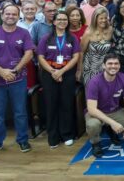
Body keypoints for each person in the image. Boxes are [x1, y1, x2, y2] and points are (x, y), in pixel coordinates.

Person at [0, 4, 35, 158]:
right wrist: (2, 71)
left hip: (18, 80)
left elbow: (29, 54)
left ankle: (23, 140)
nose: (11, 16)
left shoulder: (24, 33)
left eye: (14, 14)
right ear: (2, 15)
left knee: (20, 112)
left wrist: (15, 70)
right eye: (8, 14)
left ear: (18, 16)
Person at [37, 11, 81, 148]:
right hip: (49, 74)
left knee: (66, 104)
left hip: (67, 73)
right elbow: (40, 57)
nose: (62, 22)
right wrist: (53, 72)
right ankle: (53, 137)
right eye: (59, 19)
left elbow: (76, 57)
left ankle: (66, 134)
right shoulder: (46, 38)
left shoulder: (72, 38)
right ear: (54, 22)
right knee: (51, 105)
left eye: (65, 19)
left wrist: (62, 71)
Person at [85, 53, 124, 158]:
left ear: (119, 66)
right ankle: (96, 143)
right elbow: (92, 109)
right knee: (93, 125)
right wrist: (112, 123)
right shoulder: (94, 81)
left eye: (116, 63)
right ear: (103, 65)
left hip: (115, 111)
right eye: (110, 63)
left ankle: (110, 129)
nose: (113, 66)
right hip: (97, 113)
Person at [78, 6, 114, 86]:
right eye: (101, 18)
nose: (104, 20)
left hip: (106, 68)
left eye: (105, 18)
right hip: (90, 68)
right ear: (95, 19)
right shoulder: (88, 33)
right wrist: (79, 70)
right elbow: (81, 52)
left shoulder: (110, 30)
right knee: (91, 91)